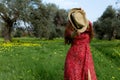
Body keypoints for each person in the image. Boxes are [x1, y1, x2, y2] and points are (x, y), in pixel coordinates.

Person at [64, 8, 97, 80]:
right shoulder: (88, 28)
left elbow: (67, 38)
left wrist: (81, 15)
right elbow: (91, 35)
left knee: (77, 75)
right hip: (79, 55)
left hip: (80, 55)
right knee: (76, 76)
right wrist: (82, 15)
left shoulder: (70, 30)